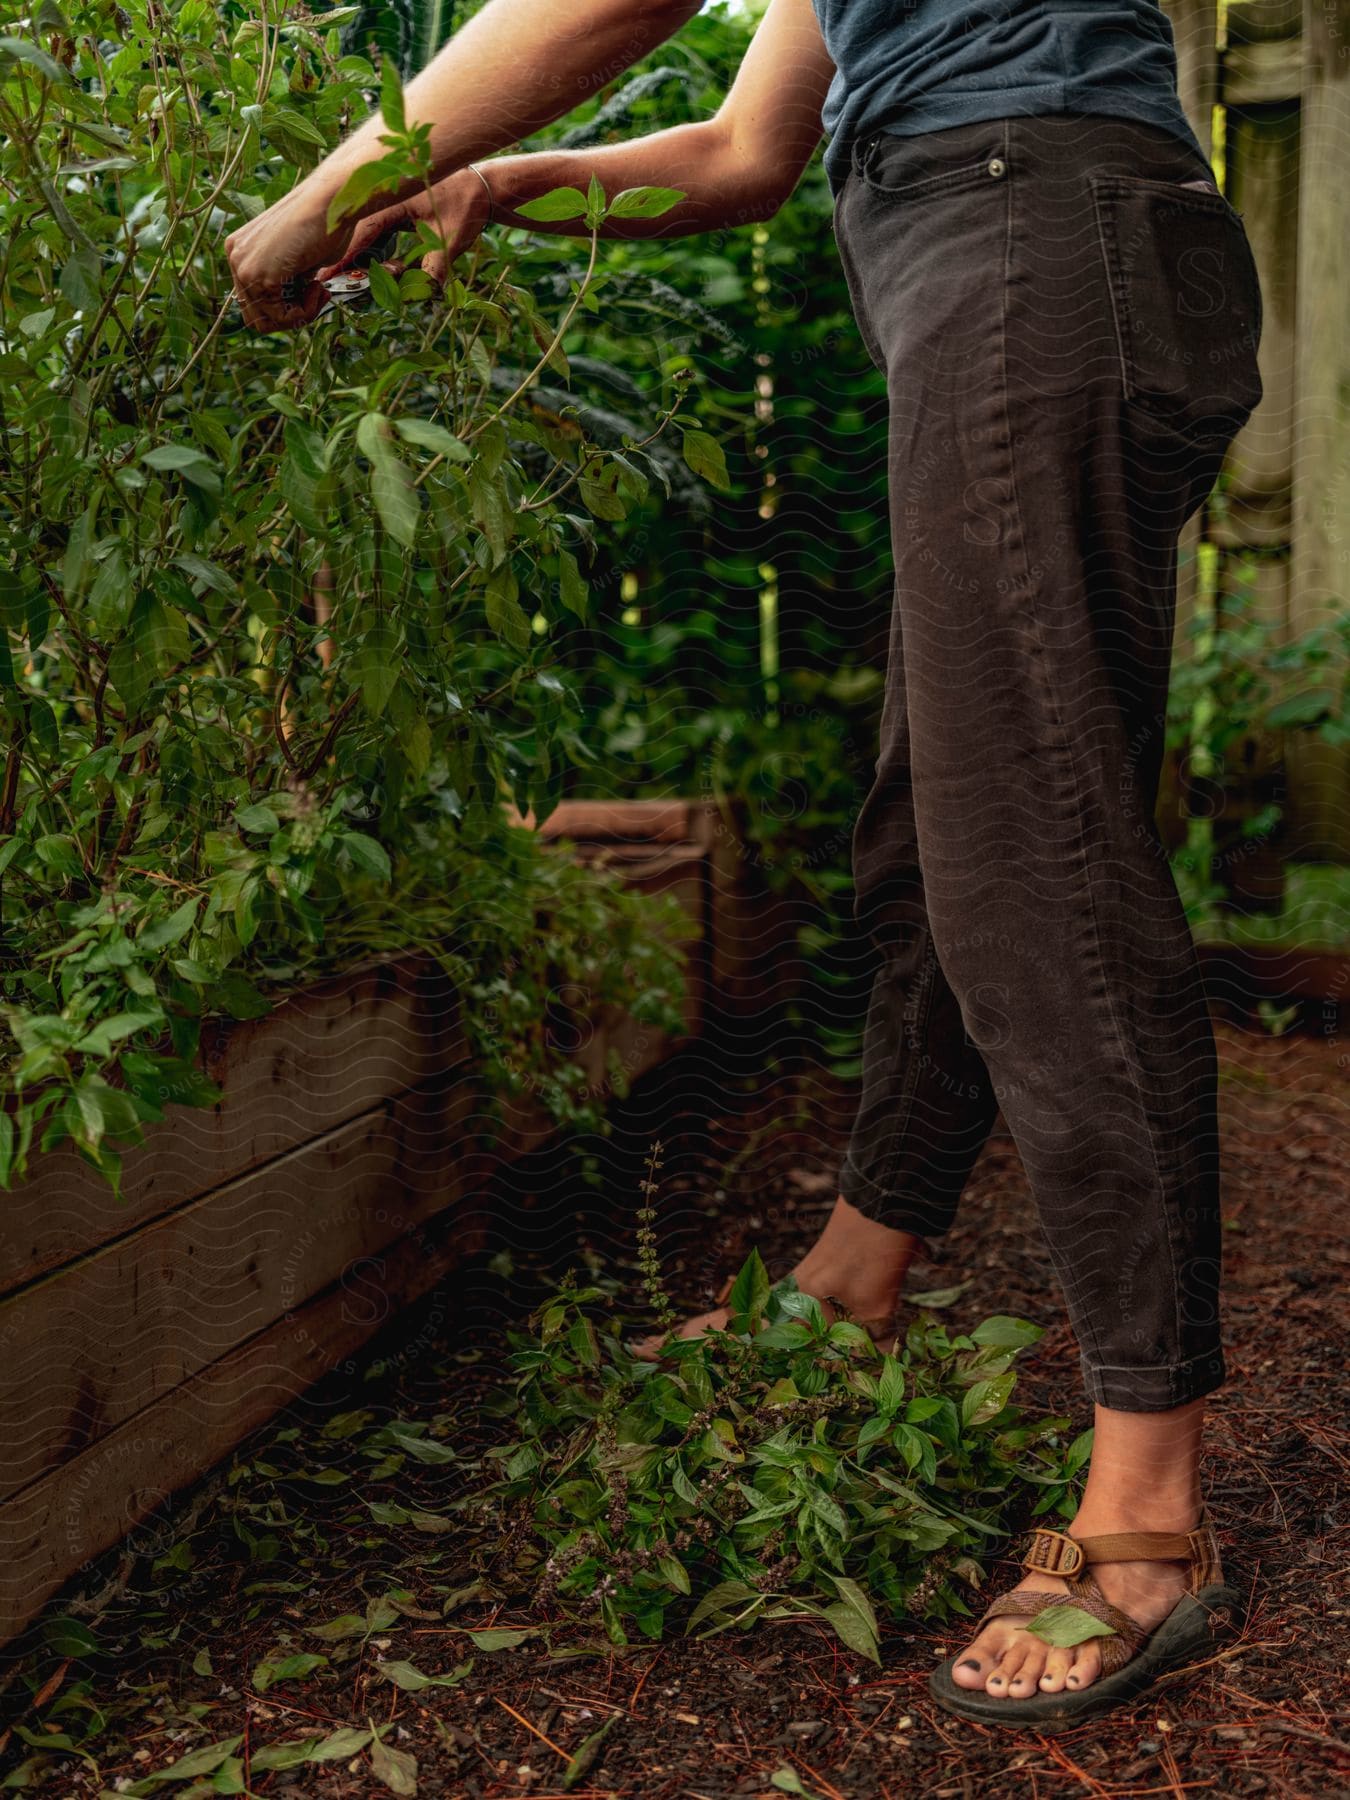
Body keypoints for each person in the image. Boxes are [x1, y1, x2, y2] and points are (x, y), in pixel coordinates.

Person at [226, 0, 1261, 1728]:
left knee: (1031, 864)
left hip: (1030, 239)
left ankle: (1148, 1511)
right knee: (935, 831)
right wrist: (510, 179)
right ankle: (856, 1272)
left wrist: (326, 190)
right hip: (1006, 247)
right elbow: (741, 150)